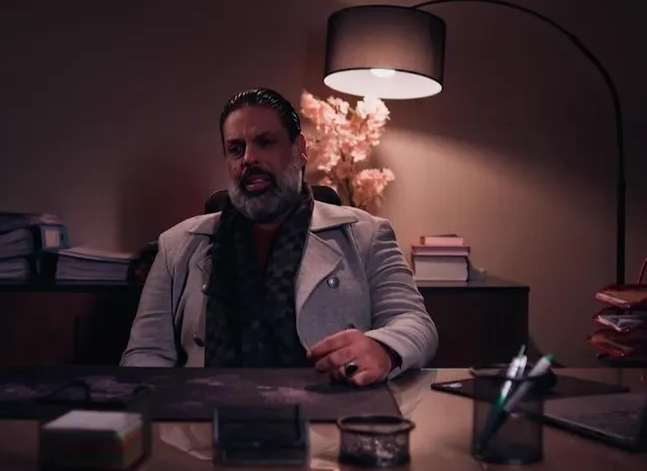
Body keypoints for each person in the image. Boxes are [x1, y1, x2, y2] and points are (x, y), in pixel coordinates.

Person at [121, 88, 438, 385]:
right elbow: (145, 354)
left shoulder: (367, 235)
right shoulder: (176, 245)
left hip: (328, 415)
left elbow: (416, 323)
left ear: (300, 150)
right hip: (206, 416)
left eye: (265, 142)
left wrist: (382, 348)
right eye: (236, 149)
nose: (248, 158)